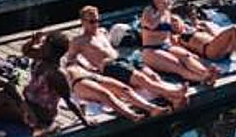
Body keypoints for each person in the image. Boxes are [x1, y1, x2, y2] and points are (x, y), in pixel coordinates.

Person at [23, 30, 164, 125]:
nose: (41, 45)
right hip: (77, 80)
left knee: (124, 89)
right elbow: (69, 100)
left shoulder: (59, 61)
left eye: (44, 43)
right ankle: (131, 115)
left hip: (88, 73)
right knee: (105, 94)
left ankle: (151, 108)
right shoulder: (58, 64)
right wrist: (84, 120)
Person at [66, 5, 189, 108]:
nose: (95, 24)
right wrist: (88, 69)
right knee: (142, 80)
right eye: (92, 22)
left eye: (97, 20)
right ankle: (173, 93)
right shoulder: (78, 41)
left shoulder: (102, 32)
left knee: (153, 76)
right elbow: (70, 61)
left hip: (124, 60)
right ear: (82, 22)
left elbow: (112, 48)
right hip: (110, 65)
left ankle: (172, 99)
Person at [140, 0, 219, 84]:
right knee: (177, 64)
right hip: (151, 50)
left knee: (187, 56)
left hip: (167, 46)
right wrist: (162, 10)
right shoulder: (148, 11)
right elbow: (152, 25)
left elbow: (173, 34)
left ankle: (206, 73)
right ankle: (203, 78)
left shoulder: (167, 12)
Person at [173, 2, 236, 74]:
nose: (174, 24)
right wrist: (200, 62)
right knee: (235, 29)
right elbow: (183, 53)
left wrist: (203, 27)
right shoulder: (177, 37)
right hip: (209, 51)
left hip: (219, 47)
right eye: (172, 23)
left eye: (175, 21)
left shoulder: (200, 26)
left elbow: (215, 37)